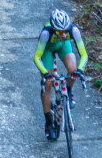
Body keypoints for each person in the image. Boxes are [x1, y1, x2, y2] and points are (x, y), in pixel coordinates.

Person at [33, 8, 87, 141]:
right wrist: (46, 74)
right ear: (53, 28)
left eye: (65, 31)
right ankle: (48, 121)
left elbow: (84, 54)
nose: (63, 34)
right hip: (47, 49)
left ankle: (68, 90)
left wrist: (80, 70)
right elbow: (37, 57)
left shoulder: (73, 31)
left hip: (64, 46)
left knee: (73, 70)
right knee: (47, 84)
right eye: (59, 32)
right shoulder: (46, 34)